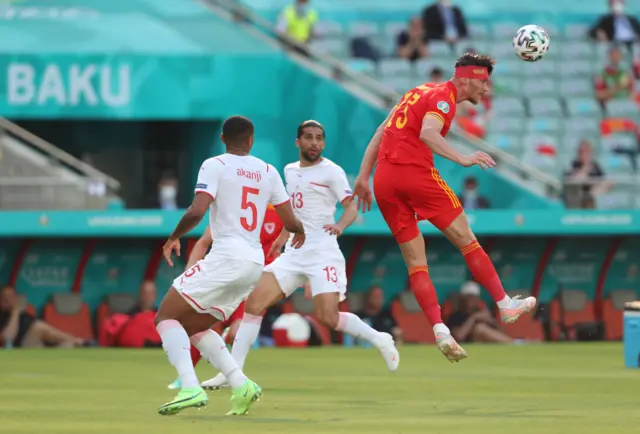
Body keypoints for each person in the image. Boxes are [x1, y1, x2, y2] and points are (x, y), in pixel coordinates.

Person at [351, 52, 536, 362]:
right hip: (414, 173)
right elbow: (428, 133)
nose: (486, 89)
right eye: (482, 82)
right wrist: (462, 158)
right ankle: (505, 304)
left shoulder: (416, 92)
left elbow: (381, 132)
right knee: (467, 240)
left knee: (416, 263)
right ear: (465, 79)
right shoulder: (444, 98)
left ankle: (439, 329)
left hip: (384, 180)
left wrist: (362, 177)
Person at [201, 120, 400, 390]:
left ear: (324, 143)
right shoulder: (289, 171)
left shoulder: (332, 172)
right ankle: (232, 373)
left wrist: (340, 225)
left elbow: (350, 207)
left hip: (323, 253)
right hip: (294, 253)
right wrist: (282, 238)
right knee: (254, 304)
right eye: (308, 137)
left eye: (319, 138)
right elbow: (293, 210)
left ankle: (379, 338)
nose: (314, 143)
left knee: (328, 318)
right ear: (298, 142)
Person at [155, 116, 305, 416]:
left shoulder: (215, 164)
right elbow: (289, 221)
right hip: (253, 264)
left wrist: (174, 236)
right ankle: (241, 383)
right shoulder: (267, 171)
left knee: (165, 316)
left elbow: (198, 209)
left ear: (223, 138)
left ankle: (189, 386)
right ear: (250, 141)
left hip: (226, 257)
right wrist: (300, 231)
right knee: (196, 325)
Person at [167, 204, 284, 390]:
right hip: (232, 276)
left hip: (259, 279)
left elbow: (297, 234)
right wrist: (188, 275)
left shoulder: (279, 211)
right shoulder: (233, 211)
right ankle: (188, 376)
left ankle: (232, 376)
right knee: (204, 325)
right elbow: (204, 242)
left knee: (237, 331)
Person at [0, 285, 85, 348]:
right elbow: (8, 338)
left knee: (67, 343)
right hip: (22, 344)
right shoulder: (9, 314)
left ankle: (76, 341)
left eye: (12, 296)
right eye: (6, 297)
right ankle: (78, 341)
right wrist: (15, 311)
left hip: (39, 339)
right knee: (39, 327)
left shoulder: (23, 313)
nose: (9, 300)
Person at [446, 282, 512, 344]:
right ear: (463, 298)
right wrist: (473, 318)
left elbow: (501, 333)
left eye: (473, 297)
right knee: (479, 328)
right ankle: (514, 343)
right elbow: (459, 337)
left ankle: (513, 343)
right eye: (468, 297)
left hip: (489, 346)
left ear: (478, 298)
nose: (471, 299)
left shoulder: (482, 313)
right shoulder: (456, 316)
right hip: (467, 347)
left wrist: (491, 321)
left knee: (481, 327)